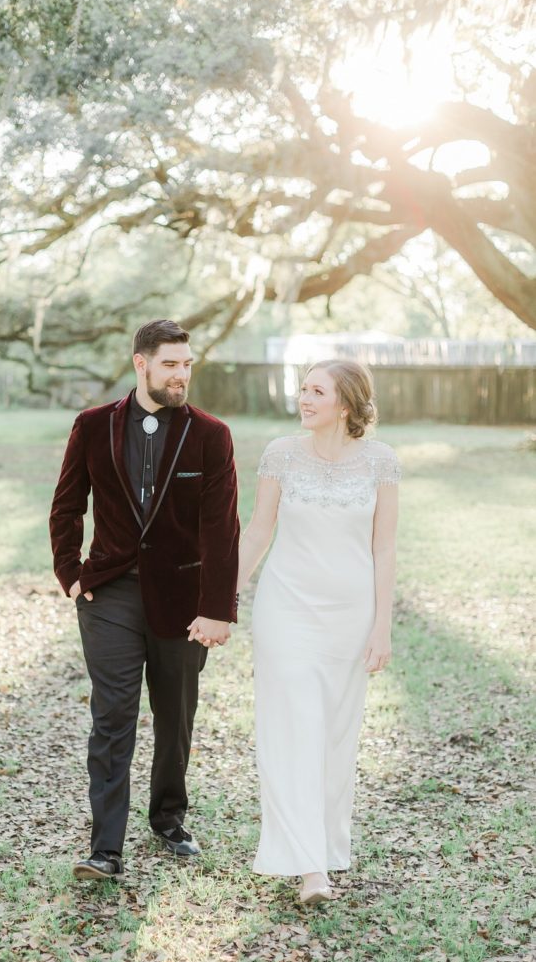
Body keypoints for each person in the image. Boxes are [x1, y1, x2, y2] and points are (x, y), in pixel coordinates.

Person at [49, 319, 239, 880]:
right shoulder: (91, 426)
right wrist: (70, 573)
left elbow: (220, 529)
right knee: (112, 716)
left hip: (183, 600)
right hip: (108, 593)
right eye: (171, 365)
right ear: (141, 364)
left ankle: (169, 817)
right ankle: (105, 848)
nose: (182, 375)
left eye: (187, 365)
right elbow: (66, 506)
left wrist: (217, 607)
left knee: (176, 714)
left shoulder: (211, 434)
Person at [237, 359, 400, 905]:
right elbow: (258, 530)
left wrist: (382, 626)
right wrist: (222, 594)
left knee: (334, 736)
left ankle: (324, 847)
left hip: (349, 619)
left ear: (346, 405)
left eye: (316, 391)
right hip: (286, 610)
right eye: (303, 388)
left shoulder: (382, 463)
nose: (303, 398)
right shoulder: (280, 454)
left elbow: (384, 547)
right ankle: (311, 870)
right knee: (295, 728)